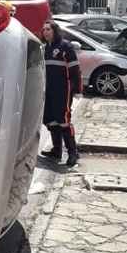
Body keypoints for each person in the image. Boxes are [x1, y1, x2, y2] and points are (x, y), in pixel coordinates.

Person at [40, 21, 82, 166]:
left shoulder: (65, 47)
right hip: (49, 90)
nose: (45, 32)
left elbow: (75, 70)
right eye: (44, 29)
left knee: (63, 120)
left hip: (63, 90)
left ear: (55, 31)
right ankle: (56, 150)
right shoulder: (45, 48)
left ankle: (73, 153)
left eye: (48, 29)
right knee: (50, 119)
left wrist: (78, 90)